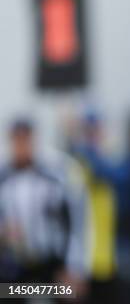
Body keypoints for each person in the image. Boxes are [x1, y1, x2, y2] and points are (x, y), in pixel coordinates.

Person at [0, 119, 88, 291]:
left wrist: (75, 266)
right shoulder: (4, 177)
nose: (21, 145)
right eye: (17, 139)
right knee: (9, 295)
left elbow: (75, 221)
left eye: (25, 139)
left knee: (66, 294)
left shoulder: (54, 175)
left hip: (52, 262)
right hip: (15, 265)